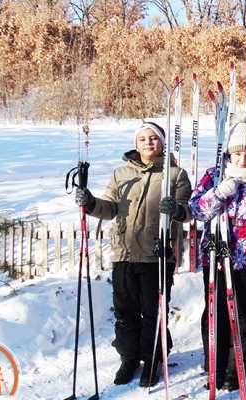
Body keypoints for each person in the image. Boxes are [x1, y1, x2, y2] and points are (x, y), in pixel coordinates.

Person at [74, 121, 192, 387]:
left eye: (153, 138)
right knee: (125, 312)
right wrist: (91, 203)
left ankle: (152, 359)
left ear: (162, 143)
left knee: (153, 312)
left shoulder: (175, 174)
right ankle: (128, 358)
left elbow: (188, 210)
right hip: (125, 255)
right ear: (135, 144)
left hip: (157, 256)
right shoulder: (121, 174)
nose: (148, 143)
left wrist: (176, 209)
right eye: (143, 139)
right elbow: (110, 208)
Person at [189, 114, 246, 390]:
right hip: (217, 256)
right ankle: (214, 363)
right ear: (229, 152)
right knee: (215, 312)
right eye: (238, 153)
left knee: (245, 315)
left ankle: (234, 367)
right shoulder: (214, 175)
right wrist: (218, 194)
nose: (243, 160)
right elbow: (195, 209)